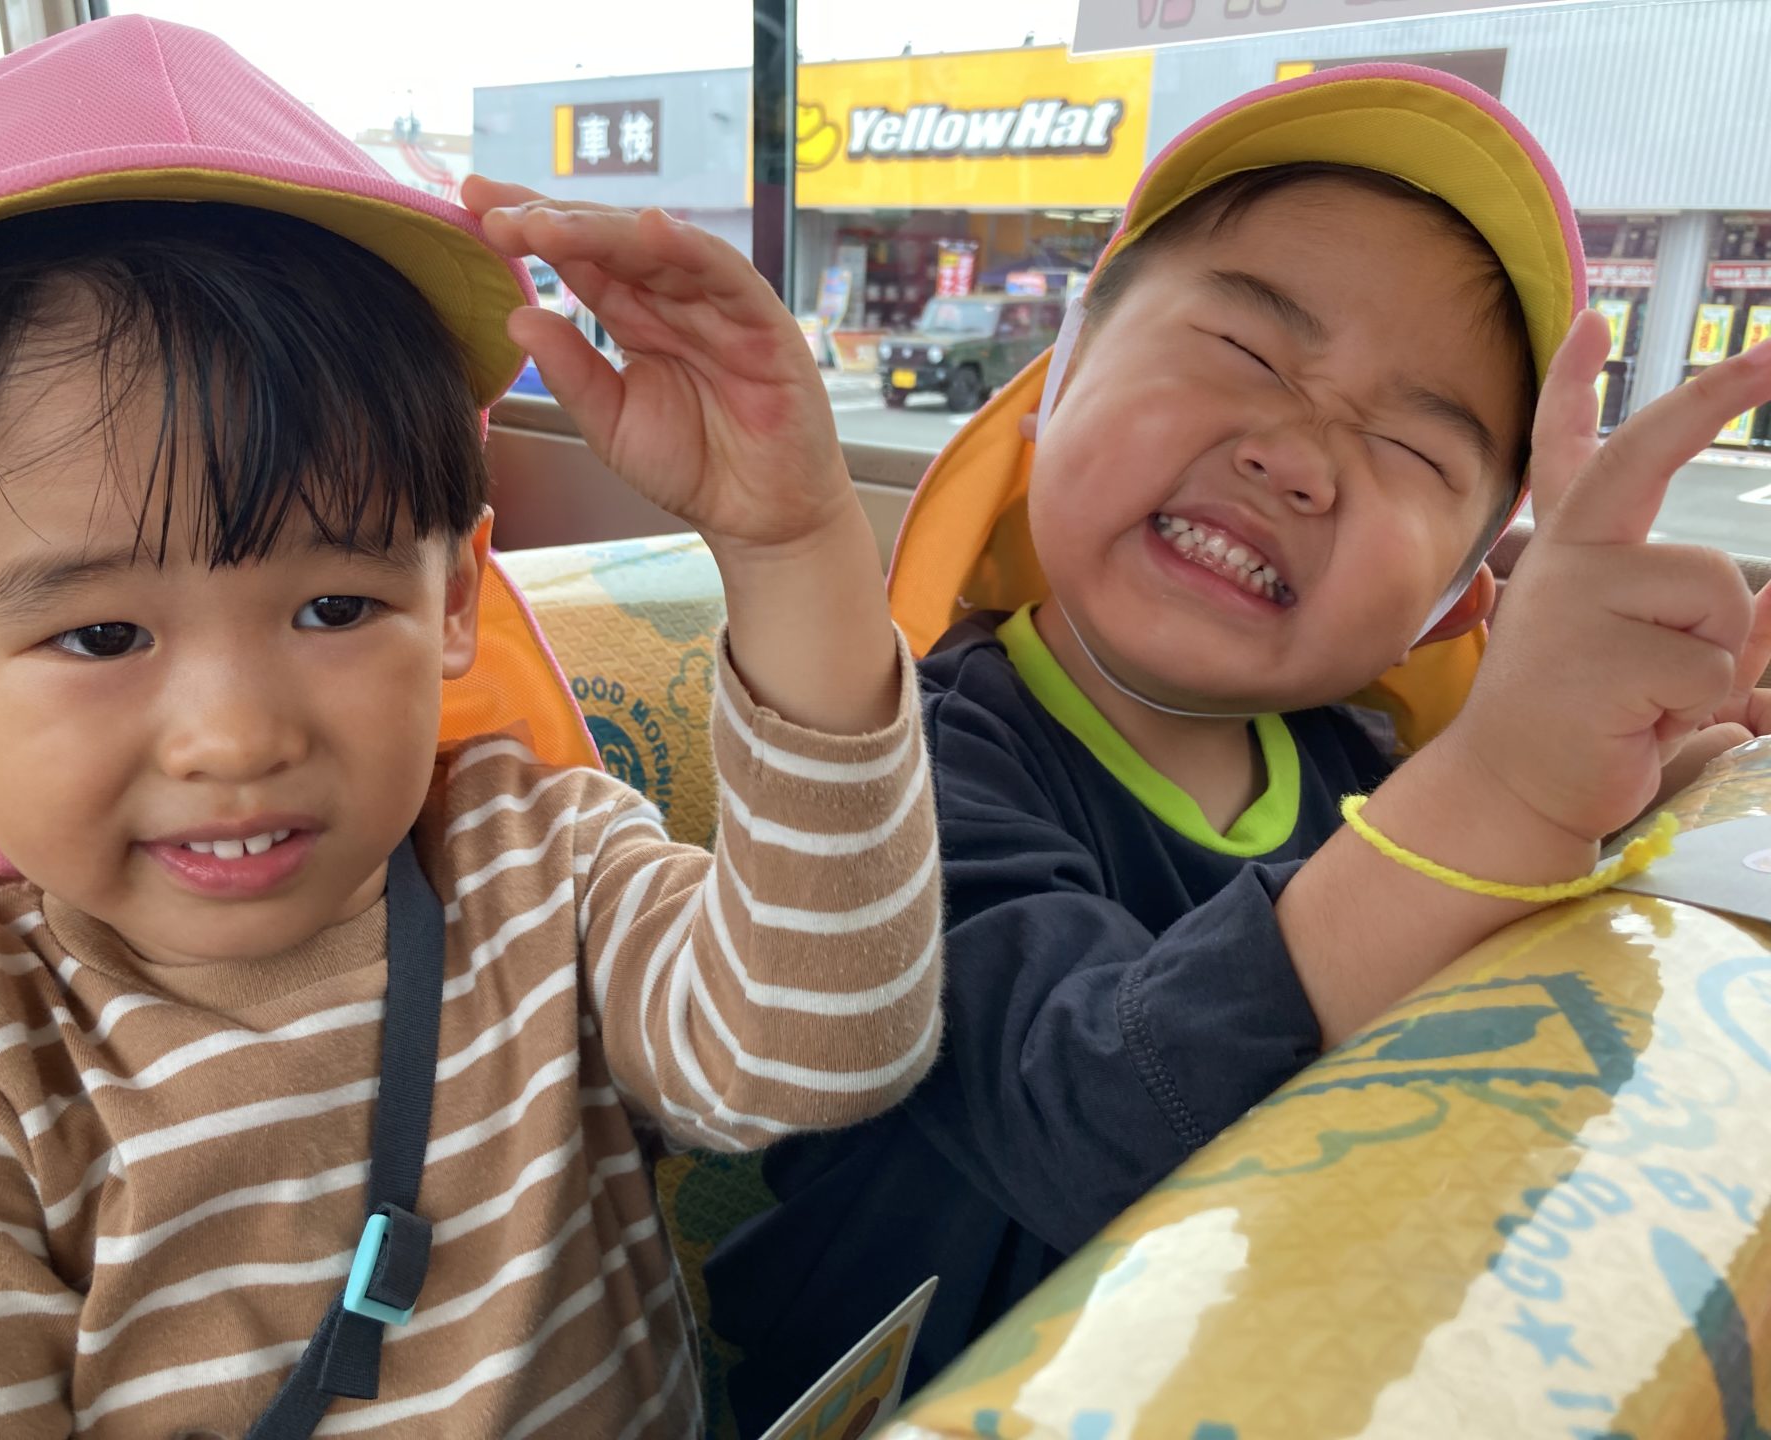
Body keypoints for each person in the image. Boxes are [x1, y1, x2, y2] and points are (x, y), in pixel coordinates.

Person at [0, 17, 941, 1439]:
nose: (235, 738)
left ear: (455, 601)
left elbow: (819, 1047)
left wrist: (793, 549)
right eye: (102, 636)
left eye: (334, 607)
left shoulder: (536, 869)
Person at [708, 64, 1771, 1429]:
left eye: (1411, 448)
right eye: (1247, 353)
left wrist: (1647, 775)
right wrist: (1507, 786)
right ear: (1059, 380)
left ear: (1449, 599)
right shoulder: (894, 774)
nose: (1302, 457)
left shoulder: (1365, 771)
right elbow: (1092, 1112)